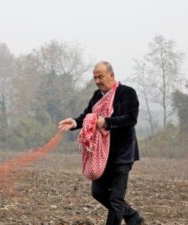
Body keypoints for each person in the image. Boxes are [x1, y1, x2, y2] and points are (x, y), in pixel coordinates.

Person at [58, 61, 144, 225]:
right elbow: (88, 116)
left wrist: (106, 122)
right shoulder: (97, 96)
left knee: (116, 199)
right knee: (98, 192)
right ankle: (133, 216)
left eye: (100, 77)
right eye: (95, 78)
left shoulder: (127, 93)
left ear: (111, 75)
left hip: (122, 154)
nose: (97, 81)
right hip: (101, 155)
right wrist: (75, 123)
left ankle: (128, 219)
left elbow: (130, 119)